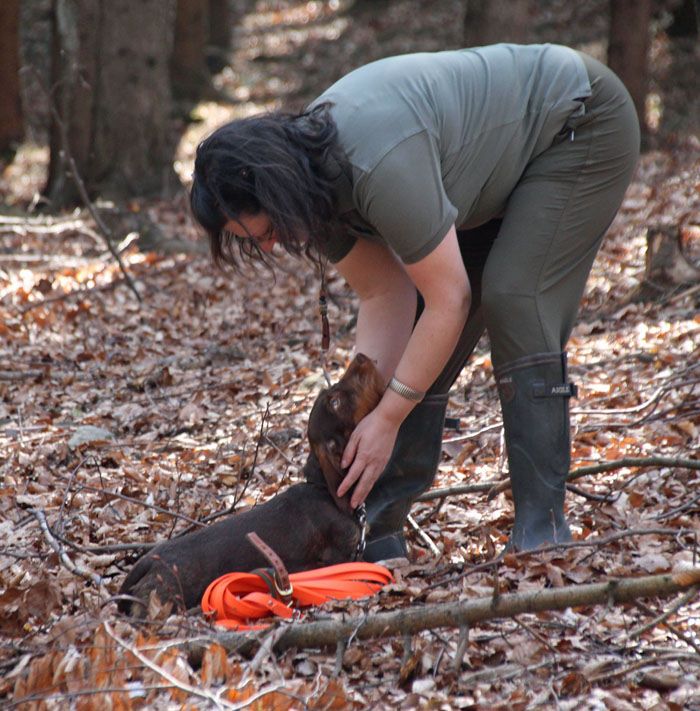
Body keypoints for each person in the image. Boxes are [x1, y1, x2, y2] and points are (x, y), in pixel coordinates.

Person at [190, 43, 640, 561]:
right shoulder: (312, 192)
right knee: (423, 347)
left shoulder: (375, 162)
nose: (270, 245)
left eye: (265, 230)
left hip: (579, 122)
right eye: (255, 242)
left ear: (274, 188)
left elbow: (450, 297)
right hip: (492, 175)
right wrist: (360, 405)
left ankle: (544, 529)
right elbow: (386, 293)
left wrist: (388, 420)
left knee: (515, 296)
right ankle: (378, 531)